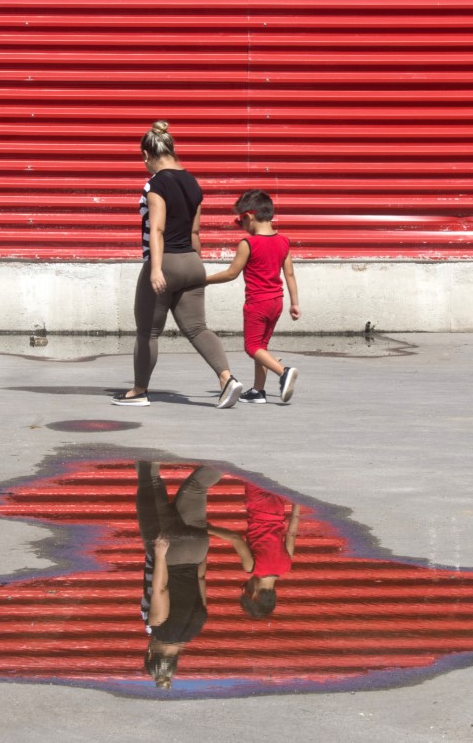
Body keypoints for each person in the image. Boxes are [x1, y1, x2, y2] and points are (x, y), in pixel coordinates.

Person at [112, 121, 243, 408]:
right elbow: (195, 232)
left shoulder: (156, 183)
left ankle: (139, 391)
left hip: (166, 262)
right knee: (197, 328)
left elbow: (157, 230)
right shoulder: (192, 183)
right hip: (192, 261)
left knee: (148, 331)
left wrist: (155, 269)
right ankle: (227, 379)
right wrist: (197, 266)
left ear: (146, 155)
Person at [204, 189, 300, 404]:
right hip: (277, 302)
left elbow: (231, 273)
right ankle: (258, 391)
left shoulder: (248, 244)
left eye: (240, 222)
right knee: (261, 347)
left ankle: (283, 372)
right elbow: (290, 274)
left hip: (257, 303)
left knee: (252, 347)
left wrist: (204, 280)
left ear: (248, 216)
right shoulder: (284, 241)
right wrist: (295, 303)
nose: (241, 226)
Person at [136, 461, 223, 688]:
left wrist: (200, 549)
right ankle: (150, 445)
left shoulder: (195, 629)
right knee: (149, 481)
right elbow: (161, 589)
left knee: (197, 487)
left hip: (196, 551)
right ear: (150, 654)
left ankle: (232, 458)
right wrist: (160, 554)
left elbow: (200, 579)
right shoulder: (160, 628)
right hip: (170, 553)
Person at [206, 485, 299, 619]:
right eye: (245, 588)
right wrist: (209, 529)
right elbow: (235, 538)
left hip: (277, 507)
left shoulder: (286, 566)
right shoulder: (252, 567)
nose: (246, 584)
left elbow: (291, 534)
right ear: (254, 594)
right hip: (257, 503)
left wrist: (297, 502)